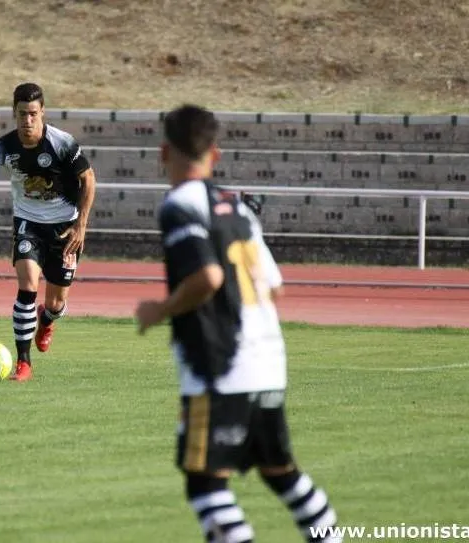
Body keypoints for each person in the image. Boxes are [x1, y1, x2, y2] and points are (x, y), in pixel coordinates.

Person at [135, 104, 342, 543]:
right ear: (216, 152)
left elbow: (207, 278)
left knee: (205, 482)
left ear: (163, 151)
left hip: (220, 364)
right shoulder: (240, 207)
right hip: (268, 359)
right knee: (281, 473)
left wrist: (160, 310)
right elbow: (275, 286)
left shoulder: (178, 206)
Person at [0, 82, 97, 382]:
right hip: (28, 223)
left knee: (55, 303)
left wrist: (81, 226)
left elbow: (89, 180)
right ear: (13, 113)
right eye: (22, 114)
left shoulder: (62, 142)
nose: (27, 121)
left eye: (33, 114)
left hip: (66, 226)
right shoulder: (1, 146)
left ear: (42, 113)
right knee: (27, 284)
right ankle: (23, 362)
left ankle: (47, 320)